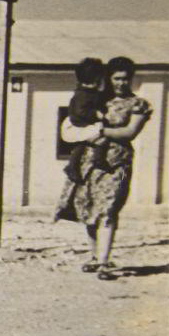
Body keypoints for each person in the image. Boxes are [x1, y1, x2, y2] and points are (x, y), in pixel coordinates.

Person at [54, 55, 153, 280]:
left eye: (125, 79)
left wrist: (98, 131)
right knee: (89, 208)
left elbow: (129, 132)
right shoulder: (97, 99)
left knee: (108, 209)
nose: (121, 83)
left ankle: (105, 262)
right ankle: (95, 256)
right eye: (116, 78)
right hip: (88, 161)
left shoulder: (137, 104)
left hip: (116, 162)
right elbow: (73, 120)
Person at [58, 56, 108, 187]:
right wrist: (96, 114)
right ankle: (98, 160)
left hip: (81, 124)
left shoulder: (88, 92)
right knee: (100, 137)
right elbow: (80, 112)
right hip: (77, 124)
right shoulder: (83, 94)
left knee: (81, 146)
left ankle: (73, 166)